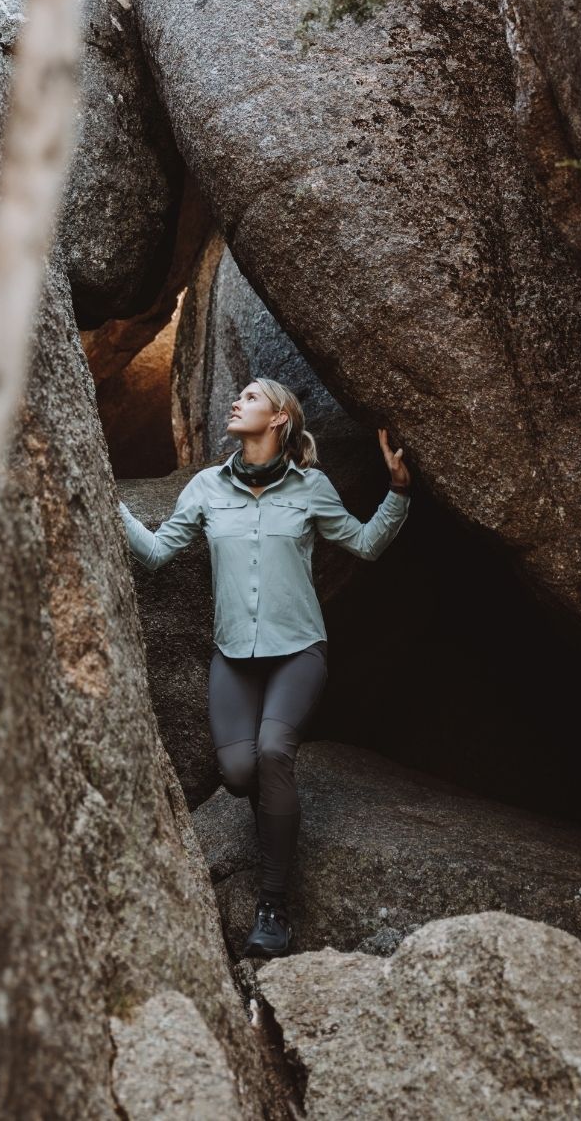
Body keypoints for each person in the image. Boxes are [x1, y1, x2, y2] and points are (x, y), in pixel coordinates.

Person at [118, 379, 412, 957]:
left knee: (274, 752)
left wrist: (399, 490)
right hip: (234, 658)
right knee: (238, 773)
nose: (237, 402)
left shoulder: (311, 488)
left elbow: (365, 543)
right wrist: (106, 496)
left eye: (251, 398)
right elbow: (155, 553)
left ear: (280, 419)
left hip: (299, 651)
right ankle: (277, 821)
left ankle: (274, 907)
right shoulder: (206, 487)